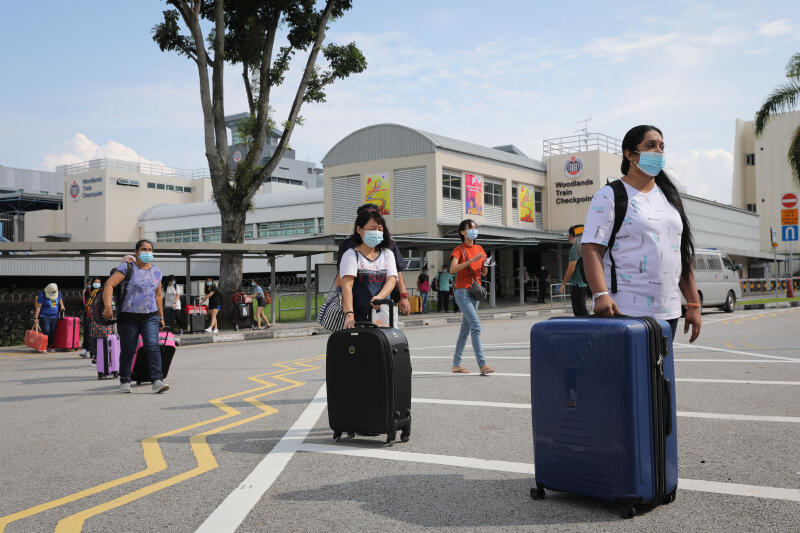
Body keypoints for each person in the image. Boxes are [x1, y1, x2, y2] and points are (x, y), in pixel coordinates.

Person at [582, 124, 702, 342]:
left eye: (662, 146)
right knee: (627, 374)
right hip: (625, 310)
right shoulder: (610, 196)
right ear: (630, 154)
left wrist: (693, 303)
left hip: (669, 311)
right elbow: (591, 248)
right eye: (650, 146)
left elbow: (681, 253)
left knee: (657, 375)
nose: (658, 151)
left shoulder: (669, 197)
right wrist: (600, 295)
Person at [103, 239, 169, 393]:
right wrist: (107, 307)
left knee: (152, 346)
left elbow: (158, 296)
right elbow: (109, 285)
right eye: (143, 249)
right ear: (136, 251)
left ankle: (157, 380)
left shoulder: (157, 271)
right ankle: (125, 380)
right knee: (128, 349)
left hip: (150, 315)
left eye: (149, 250)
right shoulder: (127, 268)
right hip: (128, 316)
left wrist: (161, 317)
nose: (147, 252)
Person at [337, 203, 410, 316]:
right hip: (358, 310)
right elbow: (343, 277)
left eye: (379, 228)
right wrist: (342, 301)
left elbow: (396, 274)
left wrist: (403, 296)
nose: (376, 231)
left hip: (383, 309)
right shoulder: (349, 247)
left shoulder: (388, 248)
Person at [449, 219, 494, 375]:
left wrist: (485, 265)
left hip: (474, 291)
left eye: (475, 228)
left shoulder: (480, 248)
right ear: (462, 232)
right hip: (462, 292)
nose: (473, 231)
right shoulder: (459, 250)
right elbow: (453, 269)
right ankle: (482, 365)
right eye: (470, 228)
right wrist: (471, 260)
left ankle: (456, 364)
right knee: (476, 326)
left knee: (464, 331)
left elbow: (483, 273)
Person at [339, 209, 398, 328]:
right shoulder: (351, 255)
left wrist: (380, 298)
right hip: (359, 319)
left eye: (380, 230)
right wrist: (350, 315)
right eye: (372, 229)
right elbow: (346, 287)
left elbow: (391, 280)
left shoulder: (387, 254)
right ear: (359, 230)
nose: (377, 232)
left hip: (383, 316)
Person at [560, 225, 590, 316]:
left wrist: (563, 283)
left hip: (578, 284)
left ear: (571, 235)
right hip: (584, 283)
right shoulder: (585, 246)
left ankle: (591, 328)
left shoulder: (574, 248)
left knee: (580, 311)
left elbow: (571, 268)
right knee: (580, 311)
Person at [86, 277, 113, 365]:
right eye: (95, 282)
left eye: (99, 282)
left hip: (98, 319)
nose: (97, 284)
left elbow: (92, 307)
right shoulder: (94, 292)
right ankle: (101, 357)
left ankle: (98, 357)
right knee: (104, 340)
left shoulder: (96, 293)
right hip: (103, 319)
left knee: (100, 340)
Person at [33, 283, 65, 353]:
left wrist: (62, 306)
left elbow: (60, 300)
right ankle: (43, 346)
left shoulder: (58, 293)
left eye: (55, 292)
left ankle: (50, 347)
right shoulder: (42, 295)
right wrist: (36, 318)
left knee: (52, 332)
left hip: (55, 316)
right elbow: (38, 307)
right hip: (45, 316)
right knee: (46, 330)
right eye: (52, 292)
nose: (54, 293)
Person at [79, 278, 93, 357]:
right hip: (88, 314)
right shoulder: (86, 291)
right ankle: (85, 349)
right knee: (87, 331)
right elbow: (85, 302)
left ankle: (93, 350)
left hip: (96, 314)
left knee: (94, 332)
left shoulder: (99, 291)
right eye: (89, 283)